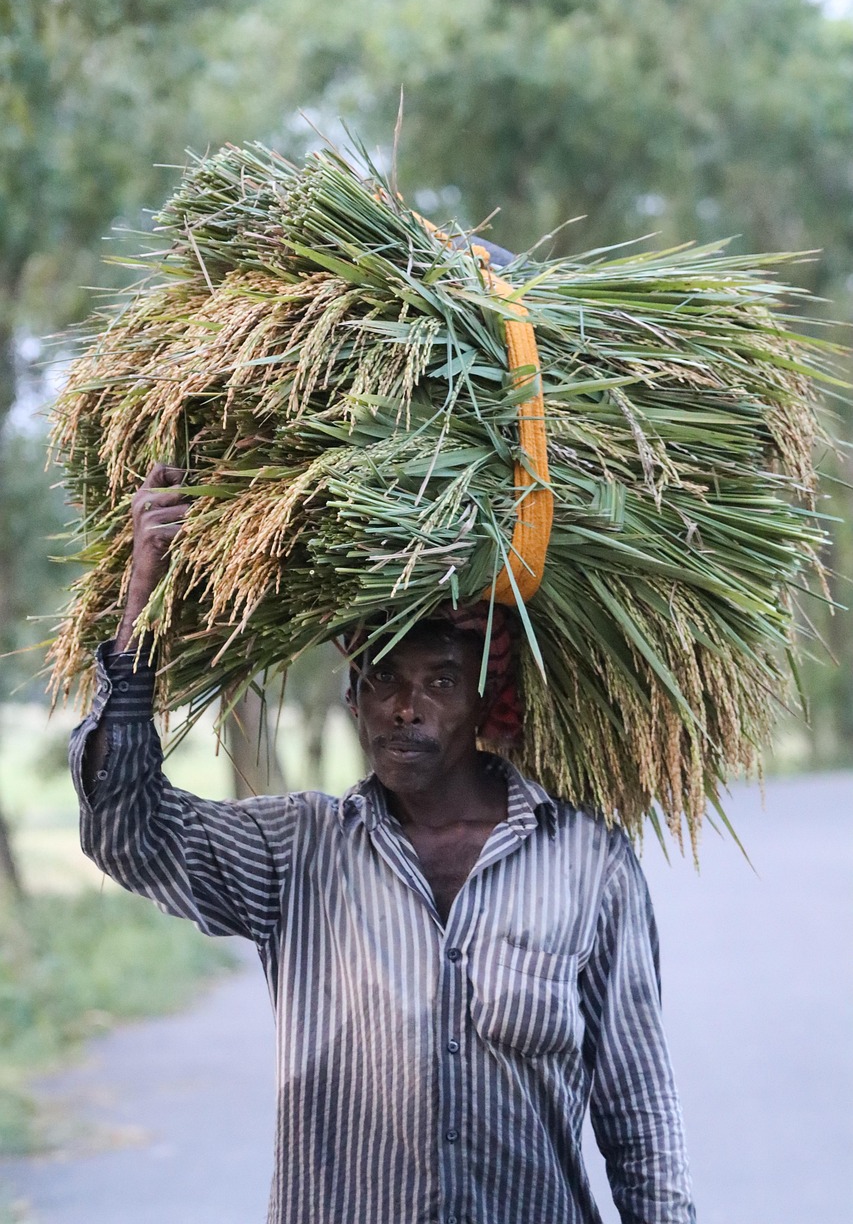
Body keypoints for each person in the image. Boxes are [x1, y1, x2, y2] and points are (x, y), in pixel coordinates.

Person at [71, 462, 697, 1224]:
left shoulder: (586, 862)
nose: (406, 708)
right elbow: (124, 827)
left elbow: (637, 1109)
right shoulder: (296, 851)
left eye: (439, 681)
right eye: (383, 679)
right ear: (352, 699)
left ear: (486, 701)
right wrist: (141, 600)